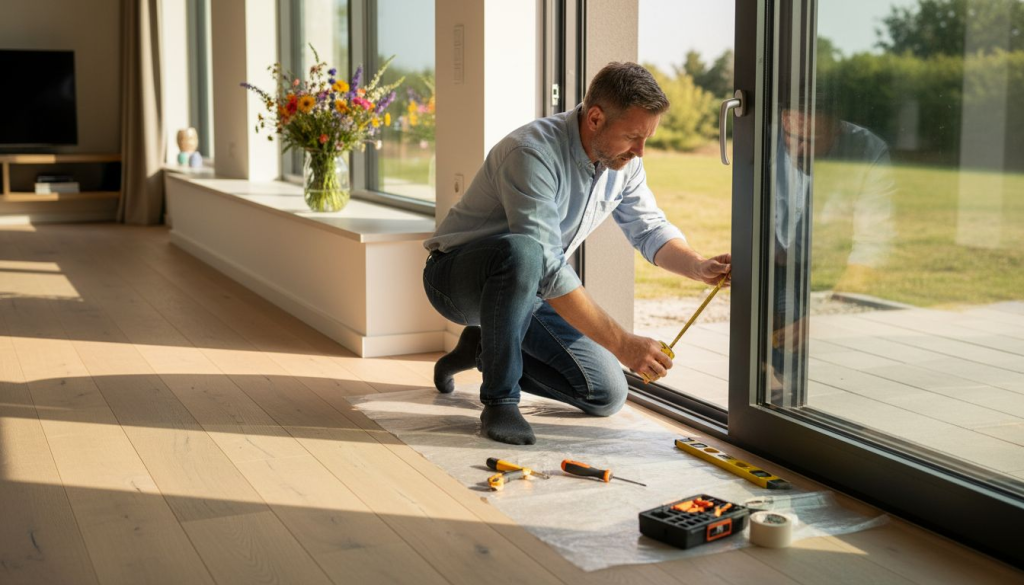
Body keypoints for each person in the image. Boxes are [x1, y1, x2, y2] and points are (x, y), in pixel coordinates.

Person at [422, 62, 731, 445]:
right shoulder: (531, 152)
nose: (641, 151)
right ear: (596, 118)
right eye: (634, 137)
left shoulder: (624, 164)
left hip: (529, 287)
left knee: (606, 393)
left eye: (647, 138)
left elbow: (649, 228)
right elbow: (547, 264)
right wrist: (623, 343)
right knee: (524, 252)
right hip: (455, 280)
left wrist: (699, 266)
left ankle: (485, 347)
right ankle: (500, 399)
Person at [770, 88, 895, 405]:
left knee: (809, 349)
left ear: (836, 129)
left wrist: (824, 316)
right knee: (780, 334)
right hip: (778, 263)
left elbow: (874, 241)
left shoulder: (869, 151)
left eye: (809, 142)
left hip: (828, 271)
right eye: (790, 136)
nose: (797, 150)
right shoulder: (762, 138)